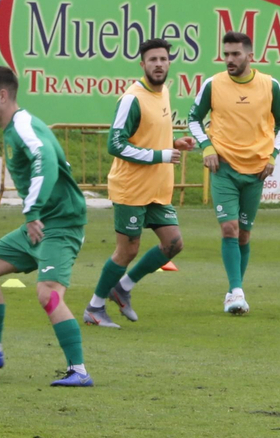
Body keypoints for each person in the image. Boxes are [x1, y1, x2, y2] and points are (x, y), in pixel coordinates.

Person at [0, 66, 93, 386]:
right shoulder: (13, 128)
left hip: (60, 224)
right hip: (41, 222)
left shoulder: (23, 126)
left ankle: (79, 370)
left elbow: (44, 159)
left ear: (2, 95)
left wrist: (32, 211)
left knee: (48, 294)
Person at [83, 38, 197, 328]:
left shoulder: (164, 94)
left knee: (173, 243)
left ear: (169, 63)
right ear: (142, 64)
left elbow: (145, 137)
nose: (159, 64)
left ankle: (123, 287)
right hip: (131, 188)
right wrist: (161, 154)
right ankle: (95, 308)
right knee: (127, 250)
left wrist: (173, 143)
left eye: (163, 59)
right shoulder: (132, 98)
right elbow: (115, 144)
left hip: (157, 189)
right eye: (153, 60)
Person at [186, 30, 280, 314]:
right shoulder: (213, 84)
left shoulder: (270, 86)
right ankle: (237, 291)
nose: (229, 59)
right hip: (224, 167)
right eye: (226, 54)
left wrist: (273, 155)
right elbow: (193, 119)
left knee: (244, 235)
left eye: (235, 54)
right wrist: (207, 147)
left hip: (257, 170)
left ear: (249, 55)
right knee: (229, 229)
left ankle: (234, 291)